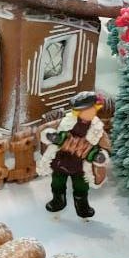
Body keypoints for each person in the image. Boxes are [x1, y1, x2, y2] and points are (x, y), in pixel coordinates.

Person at [40, 91, 109, 219]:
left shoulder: (97, 128)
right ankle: (58, 200)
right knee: (57, 182)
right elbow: (56, 133)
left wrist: (99, 156)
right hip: (62, 160)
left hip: (80, 164)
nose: (90, 113)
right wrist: (53, 137)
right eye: (86, 111)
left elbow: (105, 146)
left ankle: (82, 204)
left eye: (93, 110)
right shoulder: (67, 121)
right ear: (78, 112)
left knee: (81, 185)